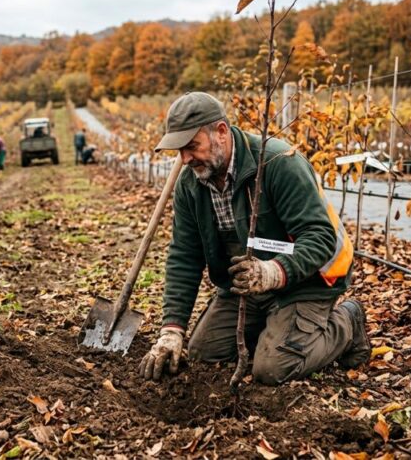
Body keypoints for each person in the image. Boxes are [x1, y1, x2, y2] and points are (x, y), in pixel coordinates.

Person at [138, 92, 370, 385]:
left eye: (192, 146)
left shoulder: (278, 163)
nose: (185, 159)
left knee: (272, 369)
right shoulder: (191, 184)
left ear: (221, 132)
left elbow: (320, 237)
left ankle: (348, 322)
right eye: (180, 150)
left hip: (307, 279)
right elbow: (185, 255)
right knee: (203, 353)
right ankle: (276, 327)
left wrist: (273, 272)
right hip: (247, 287)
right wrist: (172, 330)